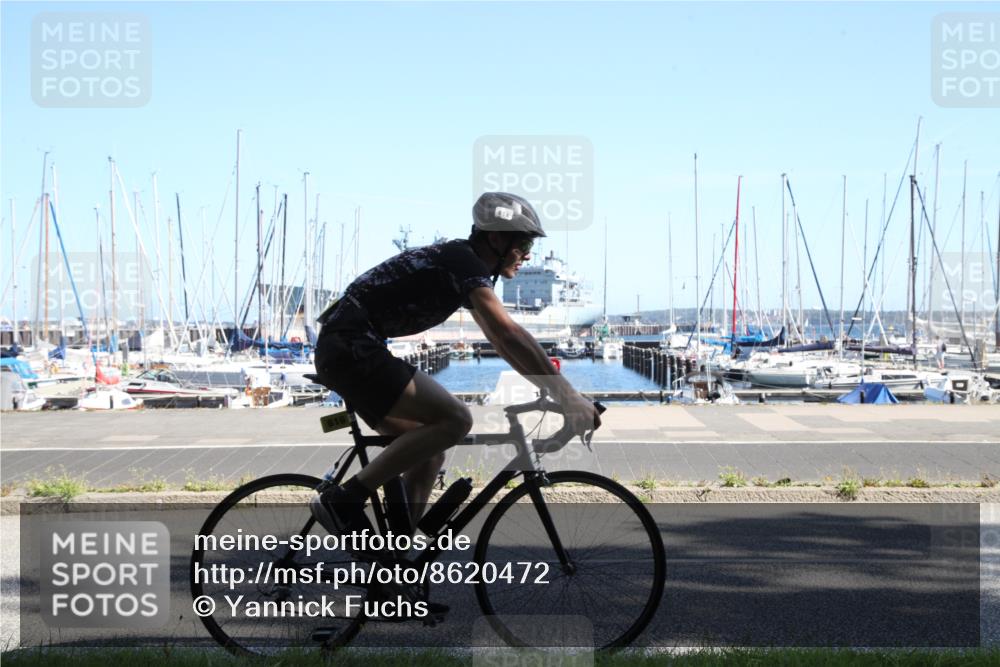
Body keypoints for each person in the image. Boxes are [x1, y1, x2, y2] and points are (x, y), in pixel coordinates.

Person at [311, 192, 601, 541]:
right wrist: (568, 397)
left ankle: (395, 567)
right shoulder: (461, 260)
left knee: (430, 453)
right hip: (351, 346)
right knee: (457, 419)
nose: (528, 254)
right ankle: (345, 500)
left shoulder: (469, 271)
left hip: (349, 349)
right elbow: (509, 332)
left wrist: (549, 388)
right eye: (523, 242)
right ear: (495, 237)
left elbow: (499, 340)